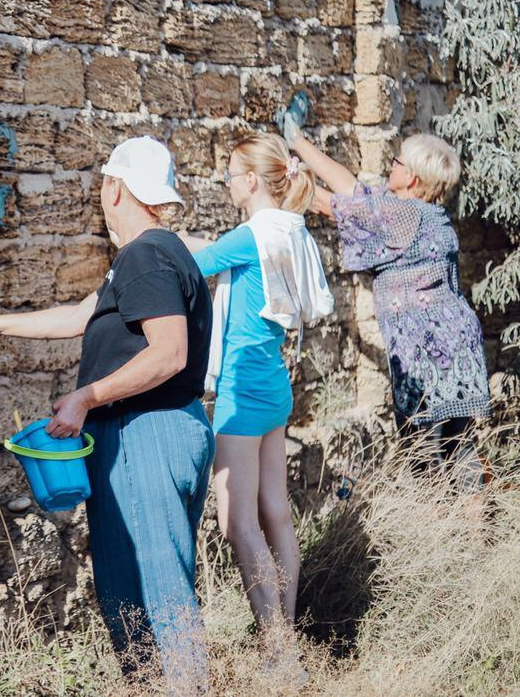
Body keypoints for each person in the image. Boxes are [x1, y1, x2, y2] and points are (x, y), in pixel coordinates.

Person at [0, 136, 214, 692]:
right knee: (134, 590)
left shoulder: (145, 255)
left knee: (158, 593)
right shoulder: (157, 254)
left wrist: (86, 397)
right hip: (161, 428)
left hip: (145, 433)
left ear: (114, 188)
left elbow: (169, 353)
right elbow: (83, 316)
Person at [178, 134, 332, 668]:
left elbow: (193, 263)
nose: (225, 183)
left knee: (237, 521)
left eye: (229, 174)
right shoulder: (289, 229)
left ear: (249, 180)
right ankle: (285, 636)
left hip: (241, 391)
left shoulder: (249, 235)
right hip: (273, 386)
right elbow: (223, 254)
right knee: (276, 513)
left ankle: (280, 651)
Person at [286, 124, 490, 490]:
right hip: (460, 345)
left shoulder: (401, 215)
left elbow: (329, 204)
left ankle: (434, 524)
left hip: (427, 351)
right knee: (458, 445)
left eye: (397, 162)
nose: (390, 166)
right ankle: (472, 523)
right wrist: (299, 142)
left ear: (412, 178)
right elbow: (353, 189)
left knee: (421, 451)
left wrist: (283, 173)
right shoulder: (427, 213)